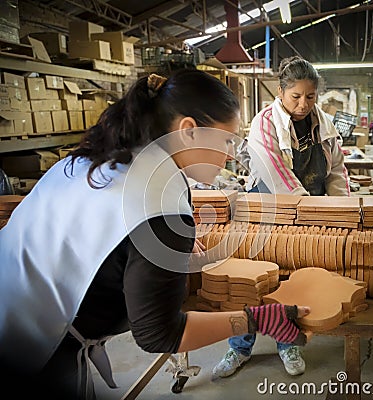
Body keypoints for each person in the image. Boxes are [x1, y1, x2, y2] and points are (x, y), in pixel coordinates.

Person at [0, 69, 310, 400]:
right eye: (226, 141)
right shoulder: (157, 210)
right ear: (189, 131)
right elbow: (159, 334)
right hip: (31, 350)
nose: (230, 156)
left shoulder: (95, 157)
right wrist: (255, 320)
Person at [213, 56, 349, 380]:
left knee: (293, 280)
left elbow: (335, 171)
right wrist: (311, 213)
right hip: (268, 212)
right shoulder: (265, 124)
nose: (303, 104)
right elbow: (277, 176)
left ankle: (287, 342)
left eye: (311, 96)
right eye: (296, 96)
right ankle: (239, 346)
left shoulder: (323, 125)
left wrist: (340, 209)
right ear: (280, 92)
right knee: (252, 282)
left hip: (309, 213)